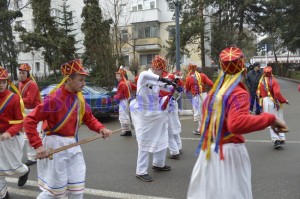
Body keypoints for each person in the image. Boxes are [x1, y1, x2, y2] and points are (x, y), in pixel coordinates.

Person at [187, 47, 288, 199]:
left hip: (208, 152)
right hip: (228, 153)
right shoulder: (238, 93)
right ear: (243, 69)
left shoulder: (214, 92)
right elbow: (237, 123)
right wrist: (270, 119)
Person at [24, 59, 112, 199]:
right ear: (69, 80)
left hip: (73, 145)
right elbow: (29, 120)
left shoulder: (79, 98)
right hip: (54, 146)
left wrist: (101, 129)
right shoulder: (54, 99)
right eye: (80, 80)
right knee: (54, 192)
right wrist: (38, 146)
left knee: (76, 189)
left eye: (84, 80)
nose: (84, 84)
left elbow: (88, 118)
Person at [130, 55, 177, 182]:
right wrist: (165, 80)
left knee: (162, 136)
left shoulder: (158, 79)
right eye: (161, 70)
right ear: (156, 68)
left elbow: (167, 87)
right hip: (144, 114)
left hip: (156, 113)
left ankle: (158, 163)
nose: (163, 73)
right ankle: (141, 170)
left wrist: (174, 85)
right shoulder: (144, 75)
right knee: (144, 140)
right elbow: (150, 78)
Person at [0, 66, 30, 199]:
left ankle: (25, 170)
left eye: (3, 82)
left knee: (13, 167)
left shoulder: (13, 98)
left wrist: (9, 133)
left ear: (7, 82)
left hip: (10, 138)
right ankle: (3, 195)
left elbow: (20, 121)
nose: (0, 85)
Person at [257, 66, 289, 149]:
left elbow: (259, 94)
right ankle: (280, 138)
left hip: (265, 102)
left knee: (271, 120)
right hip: (274, 102)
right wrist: (284, 100)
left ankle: (277, 139)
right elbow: (277, 93)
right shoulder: (273, 81)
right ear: (271, 73)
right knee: (278, 119)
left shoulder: (261, 81)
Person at [18, 63, 42, 166]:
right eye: (20, 73)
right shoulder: (20, 84)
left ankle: (38, 154)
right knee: (26, 135)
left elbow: (30, 100)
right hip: (26, 111)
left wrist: (16, 101)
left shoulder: (32, 84)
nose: (21, 75)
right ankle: (31, 157)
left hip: (35, 110)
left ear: (28, 74)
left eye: (23, 73)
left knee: (34, 134)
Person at [159, 72, 184, 160]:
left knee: (168, 130)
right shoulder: (178, 87)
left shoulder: (168, 86)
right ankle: (179, 147)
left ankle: (174, 152)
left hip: (168, 106)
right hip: (172, 105)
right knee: (174, 128)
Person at [185, 64, 213, 135]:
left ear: (189, 70)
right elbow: (211, 83)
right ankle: (209, 129)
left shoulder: (188, 78)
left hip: (196, 97)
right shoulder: (203, 75)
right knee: (206, 112)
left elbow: (186, 90)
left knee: (199, 113)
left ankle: (200, 129)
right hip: (204, 95)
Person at [114, 67, 137, 136]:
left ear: (122, 76)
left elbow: (120, 95)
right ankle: (128, 130)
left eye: (118, 75)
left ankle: (127, 131)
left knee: (123, 115)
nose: (117, 77)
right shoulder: (128, 82)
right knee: (128, 115)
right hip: (129, 100)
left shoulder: (121, 84)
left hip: (123, 101)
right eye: (116, 75)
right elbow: (136, 88)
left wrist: (114, 97)